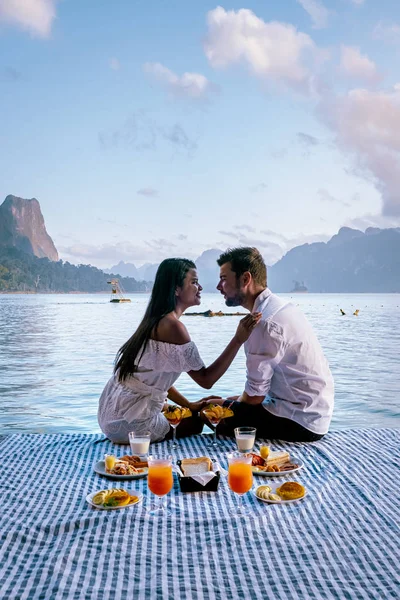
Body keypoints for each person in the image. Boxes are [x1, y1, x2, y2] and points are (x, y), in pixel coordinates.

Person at [98, 257, 261, 443]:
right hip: (131, 425)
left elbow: (154, 380)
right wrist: (238, 339)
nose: (200, 288)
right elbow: (207, 379)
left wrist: (188, 404)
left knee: (187, 412)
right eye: (194, 282)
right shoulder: (174, 327)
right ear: (176, 289)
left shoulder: (153, 320)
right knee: (196, 422)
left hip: (109, 415)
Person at [215, 247, 334, 442]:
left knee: (211, 414)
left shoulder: (263, 323)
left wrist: (227, 405)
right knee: (221, 402)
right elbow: (256, 392)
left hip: (300, 422)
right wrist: (230, 402)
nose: (219, 286)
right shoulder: (280, 307)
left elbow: (253, 398)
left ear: (245, 279)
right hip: (315, 413)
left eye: (224, 278)